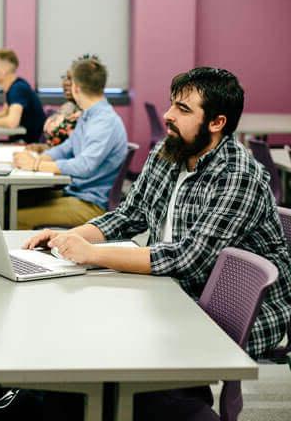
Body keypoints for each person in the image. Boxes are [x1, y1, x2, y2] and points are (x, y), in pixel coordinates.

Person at [23, 67, 291, 421]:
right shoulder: (169, 153)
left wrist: (95, 255)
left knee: (103, 344)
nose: (167, 115)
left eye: (183, 109)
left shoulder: (238, 175)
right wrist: (72, 236)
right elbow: (129, 214)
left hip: (225, 311)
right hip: (170, 292)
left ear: (216, 122)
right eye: (171, 105)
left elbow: (190, 258)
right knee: (76, 330)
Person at [13, 55, 128, 229]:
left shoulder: (104, 122)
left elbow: (84, 165)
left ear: (75, 87)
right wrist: (38, 158)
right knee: (12, 204)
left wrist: (36, 165)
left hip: (91, 204)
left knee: (14, 217)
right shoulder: (88, 114)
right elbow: (66, 148)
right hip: (75, 192)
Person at [0, 48, 45, 143]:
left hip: (30, 144)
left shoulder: (17, 89)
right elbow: (6, 112)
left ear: (5, 69)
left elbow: (12, 122)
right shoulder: (13, 87)